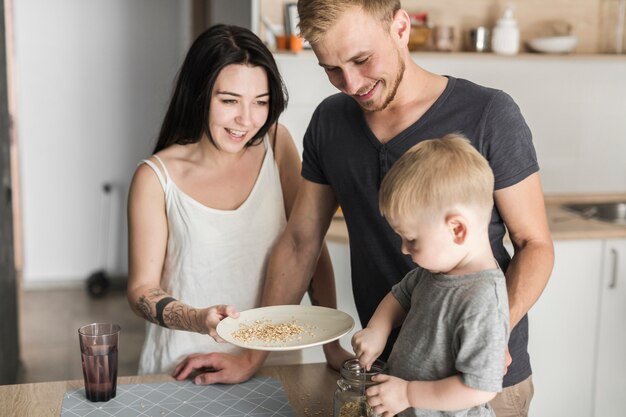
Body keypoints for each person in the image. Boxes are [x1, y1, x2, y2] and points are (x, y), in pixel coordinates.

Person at [178, 2, 554, 414]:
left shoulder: (489, 114)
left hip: (478, 383)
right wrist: (251, 356)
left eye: (361, 59)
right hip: (383, 376)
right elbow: (302, 241)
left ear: (401, 27)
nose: (351, 83)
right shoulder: (330, 122)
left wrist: (493, 336)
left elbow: (534, 243)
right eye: (331, 69)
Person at [126, 24, 346, 383]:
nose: (247, 120)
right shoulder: (155, 178)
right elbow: (140, 291)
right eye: (229, 101)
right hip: (187, 365)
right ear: (199, 95)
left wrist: (331, 346)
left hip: (277, 362)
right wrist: (198, 318)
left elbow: (308, 246)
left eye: (260, 102)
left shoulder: (277, 144)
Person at [352, 134, 509, 417]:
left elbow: (479, 388)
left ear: (457, 229)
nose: (403, 249)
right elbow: (401, 295)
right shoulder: (435, 271)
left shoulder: (482, 300)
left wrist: (408, 393)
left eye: (411, 239)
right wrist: (378, 329)